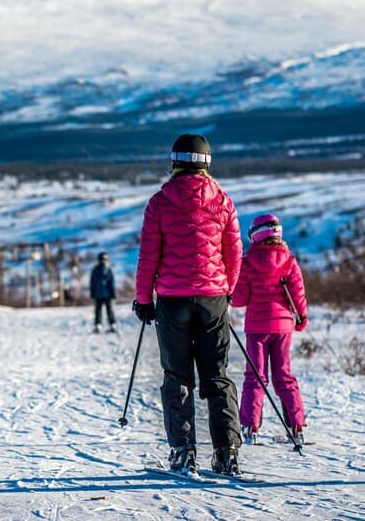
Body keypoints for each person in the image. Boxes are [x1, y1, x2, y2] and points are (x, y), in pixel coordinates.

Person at [133, 134, 244, 477]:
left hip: (172, 300)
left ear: (175, 162)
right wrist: (228, 291)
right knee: (218, 376)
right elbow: (234, 253)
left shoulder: (160, 202)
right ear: (207, 164)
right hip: (212, 300)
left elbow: (149, 255)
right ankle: (227, 454)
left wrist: (142, 298)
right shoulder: (223, 201)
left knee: (177, 375)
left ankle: (183, 453)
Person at [230, 213, 308, 447]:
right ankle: (296, 427)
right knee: (284, 376)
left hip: (256, 328)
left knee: (255, 376)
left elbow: (239, 299)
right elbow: (298, 293)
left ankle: (250, 427)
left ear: (255, 235)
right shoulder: (289, 260)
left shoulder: (247, 261)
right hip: (283, 327)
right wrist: (301, 317)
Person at [90, 252, 117, 333]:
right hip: (106, 294)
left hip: (100, 294)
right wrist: (113, 293)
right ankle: (110, 325)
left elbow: (92, 283)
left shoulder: (96, 270)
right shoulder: (108, 270)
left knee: (100, 310)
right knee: (107, 310)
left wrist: (93, 292)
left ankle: (99, 325)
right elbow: (111, 283)